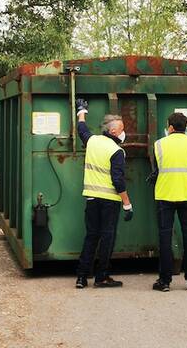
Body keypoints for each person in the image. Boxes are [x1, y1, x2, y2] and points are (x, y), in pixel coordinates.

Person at [74, 98, 133, 289]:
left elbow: (81, 128)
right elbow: (118, 181)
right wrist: (127, 204)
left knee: (91, 236)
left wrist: (81, 110)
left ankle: (82, 277)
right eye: (122, 129)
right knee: (107, 237)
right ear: (114, 131)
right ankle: (102, 276)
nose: (124, 132)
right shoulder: (117, 151)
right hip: (109, 201)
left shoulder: (92, 141)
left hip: (91, 198)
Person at [151, 112, 187, 292]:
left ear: (170, 127)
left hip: (165, 194)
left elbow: (156, 169)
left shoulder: (159, 144)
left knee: (165, 237)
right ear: (185, 127)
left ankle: (164, 281)